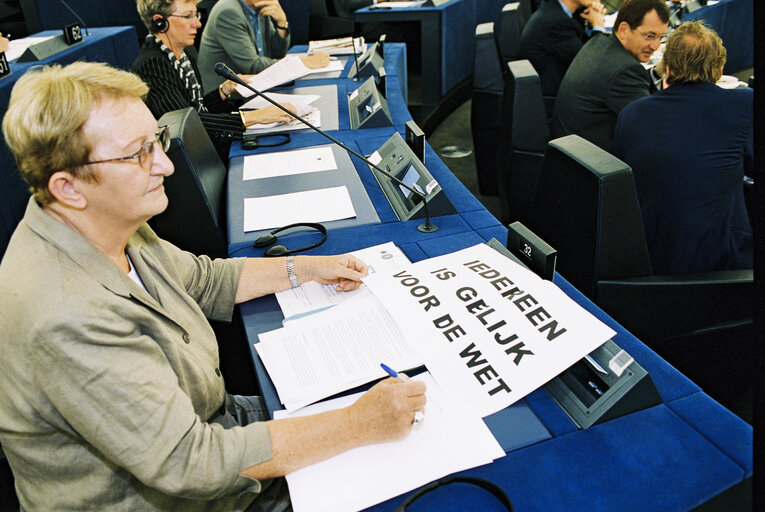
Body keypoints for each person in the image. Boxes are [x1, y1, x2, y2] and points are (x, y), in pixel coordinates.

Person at [0, 61, 427, 511]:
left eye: (156, 142)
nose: (164, 165)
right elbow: (192, 463)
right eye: (136, 154)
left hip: (213, 423)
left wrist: (308, 268)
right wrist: (357, 424)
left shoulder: (107, 221)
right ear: (68, 188)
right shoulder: (65, 313)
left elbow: (203, 280)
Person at [613, 21, 753, 274]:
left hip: (647, 264)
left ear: (667, 68)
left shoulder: (631, 114)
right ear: (720, 69)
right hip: (721, 266)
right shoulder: (743, 105)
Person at [132, 0, 296, 160]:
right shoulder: (153, 64)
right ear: (159, 22)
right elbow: (186, 128)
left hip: (203, 149)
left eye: (197, 15)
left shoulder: (183, 54)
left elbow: (196, 111)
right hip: (191, 162)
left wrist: (223, 92)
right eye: (188, 16)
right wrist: (254, 117)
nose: (197, 24)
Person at [550, 0, 669, 152]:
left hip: (570, 152)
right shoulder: (625, 70)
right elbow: (654, 127)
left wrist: (658, 72)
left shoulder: (600, 42)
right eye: (649, 36)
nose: (655, 46)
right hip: (592, 164)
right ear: (624, 30)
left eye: (661, 37)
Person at [198, 0, 330, 94]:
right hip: (226, 96)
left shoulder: (260, 6)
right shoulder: (228, 11)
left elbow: (277, 53)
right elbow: (254, 66)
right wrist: (305, 63)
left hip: (257, 84)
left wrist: (281, 23)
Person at [517, 0, 607, 101]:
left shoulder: (558, 11)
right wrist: (598, 25)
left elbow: (582, 46)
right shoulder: (555, 20)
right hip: (551, 101)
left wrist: (590, 23)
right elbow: (592, 63)